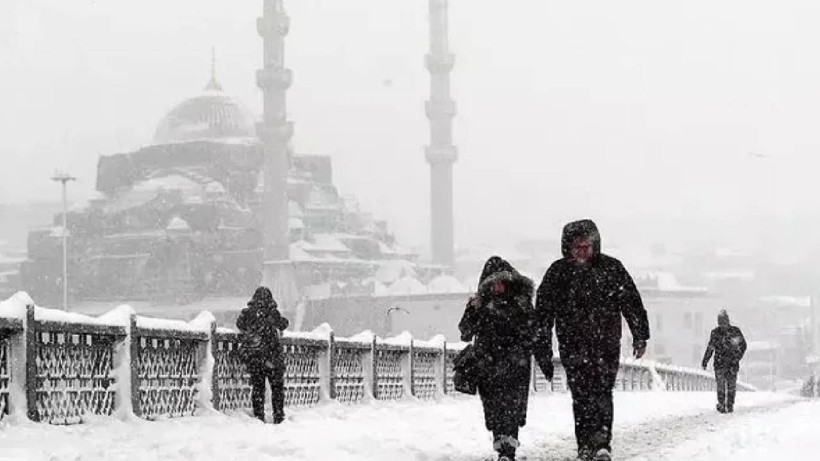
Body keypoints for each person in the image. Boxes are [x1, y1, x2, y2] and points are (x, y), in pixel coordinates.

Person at [532, 220, 650, 461]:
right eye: (577, 247)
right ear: (568, 248)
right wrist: (542, 346)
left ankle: (601, 443)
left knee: (602, 392)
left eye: (586, 247)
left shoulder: (611, 269)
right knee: (581, 395)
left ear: (595, 246)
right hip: (572, 345)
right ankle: (585, 444)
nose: (582, 252)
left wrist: (640, 336)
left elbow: (631, 303)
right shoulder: (558, 273)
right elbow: (543, 313)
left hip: (605, 344)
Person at [459, 256, 536, 461]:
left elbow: (532, 331)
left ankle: (507, 447)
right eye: (493, 283)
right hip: (489, 365)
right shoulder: (482, 305)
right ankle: (502, 443)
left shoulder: (520, 304)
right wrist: (472, 309)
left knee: (512, 406)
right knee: (493, 407)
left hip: (515, 365)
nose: (498, 286)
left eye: (501, 281)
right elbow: (465, 332)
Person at [236, 286, 290, 423]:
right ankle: (278, 415)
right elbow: (284, 324)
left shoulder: (248, 313)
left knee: (258, 388)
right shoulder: (273, 313)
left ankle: (259, 416)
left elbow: (240, 324)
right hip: (273, 356)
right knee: (277, 388)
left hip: (255, 357)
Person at [701, 309, 747, 413]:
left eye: (723, 323)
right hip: (722, 364)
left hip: (729, 363)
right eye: (720, 323)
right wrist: (705, 360)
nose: (722, 326)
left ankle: (729, 405)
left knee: (730, 386)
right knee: (721, 386)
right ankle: (722, 404)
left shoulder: (733, 332)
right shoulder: (718, 333)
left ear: (727, 321)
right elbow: (710, 348)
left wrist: (736, 358)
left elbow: (743, 346)